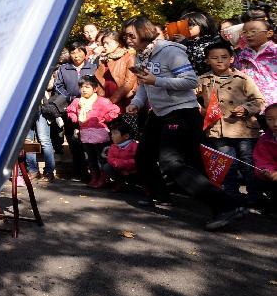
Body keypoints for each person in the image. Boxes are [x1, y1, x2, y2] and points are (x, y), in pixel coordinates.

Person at [124, 16, 245, 230]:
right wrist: (136, 102)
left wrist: (157, 80)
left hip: (181, 112)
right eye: (126, 35)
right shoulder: (142, 56)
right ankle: (161, 195)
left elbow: (190, 81)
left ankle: (226, 206)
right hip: (158, 113)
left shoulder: (171, 51)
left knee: (172, 162)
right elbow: (144, 85)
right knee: (143, 157)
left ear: (145, 32)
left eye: (131, 34)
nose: (128, 39)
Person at [196, 41, 265, 204]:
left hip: (244, 129)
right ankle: (231, 196)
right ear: (207, 60)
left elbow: (259, 100)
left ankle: (255, 195)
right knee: (227, 164)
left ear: (232, 59)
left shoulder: (242, 79)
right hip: (218, 129)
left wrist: (246, 109)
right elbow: (188, 97)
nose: (219, 61)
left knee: (247, 162)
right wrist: (201, 110)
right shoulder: (203, 80)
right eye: (214, 58)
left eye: (224, 57)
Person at [54, 41, 97, 181]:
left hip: (90, 108)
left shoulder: (93, 67)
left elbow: (97, 85)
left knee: (89, 139)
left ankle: (93, 171)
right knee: (73, 139)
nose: (76, 55)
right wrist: (69, 97)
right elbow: (58, 85)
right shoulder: (64, 68)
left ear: (85, 53)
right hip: (70, 108)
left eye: (79, 52)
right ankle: (79, 171)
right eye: (73, 52)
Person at [66, 76, 120, 188]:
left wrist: (104, 118)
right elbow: (70, 111)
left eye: (87, 87)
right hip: (85, 135)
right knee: (90, 158)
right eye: (81, 87)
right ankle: (94, 177)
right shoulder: (77, 101)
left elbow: (115, 110)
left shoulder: (102, 101)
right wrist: (75, 118)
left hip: (101, 136)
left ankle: (103, 178)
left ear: (95, 89)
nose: (84, 89)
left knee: (102, 157)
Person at [232, 16, 276, 108]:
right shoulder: (241, 56)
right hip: (250, 106)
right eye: (245, 32)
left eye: (253, 31)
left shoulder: (275, 52)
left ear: (269, 33)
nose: (248, 35)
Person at [94, 29, 137, 112]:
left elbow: (128, 82)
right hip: (106, 101)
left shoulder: (129, 57)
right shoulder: (105, 60)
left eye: (107, 43)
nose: (105, 46)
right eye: (103, 43)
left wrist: (111, 101)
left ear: (118, 43)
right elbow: (99, 83)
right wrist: (102, 101)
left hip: (124, 101)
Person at [101, 117, 139, 190]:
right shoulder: (113, 146)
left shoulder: (134, 146)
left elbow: (137, 160)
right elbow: (110, 158)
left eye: (115, 133)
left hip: (133, 171)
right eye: (112, 133)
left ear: (126, 136)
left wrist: (124, 166)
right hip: (120, 169)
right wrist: (119, 165)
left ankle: (140, 186)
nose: (112, 136)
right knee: (106, 167)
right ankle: (119, 182)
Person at [179, 11, 222, 75]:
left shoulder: (209, 42)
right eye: (183, 26)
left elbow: (199, 60)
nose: (187, 28)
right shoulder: (187, 41)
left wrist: (186, 43)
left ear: (201, 24)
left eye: (190, 25)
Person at [253, 103, 277, 210]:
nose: (275, 124)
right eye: (270, 119)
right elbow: (263, 160)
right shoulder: (265, 140)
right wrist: (268, 171)